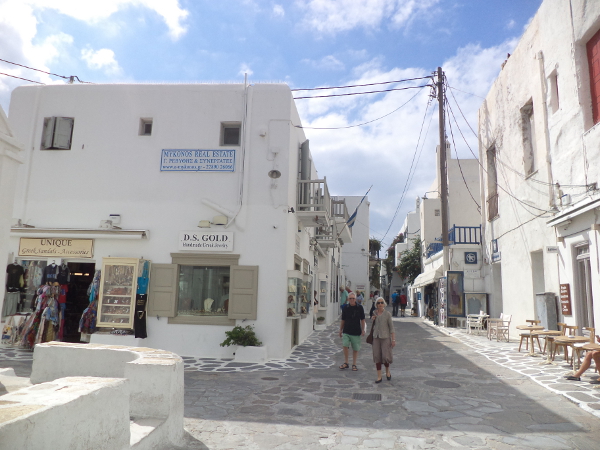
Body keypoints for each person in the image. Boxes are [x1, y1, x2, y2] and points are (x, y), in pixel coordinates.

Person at [370, 297, 395, 383]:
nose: (380, 304)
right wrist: (373, 320)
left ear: (384, 304)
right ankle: (379, 376)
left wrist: (393, 340)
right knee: (377, 356)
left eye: (381, 302)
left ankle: (387, 372)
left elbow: (391, 328)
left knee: (385, 356)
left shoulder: (387, 314)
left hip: (385, 337)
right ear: (376, 305)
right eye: (378, 303)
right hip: (376, 337)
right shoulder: (374, 313)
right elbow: (374, 326)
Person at [338, 292, 365, 371]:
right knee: (345, 345)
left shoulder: (360, 308)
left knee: (355, 349)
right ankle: (346, 362)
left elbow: (362, 319)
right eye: (350, 298)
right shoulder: (345, 308)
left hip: (356, 331)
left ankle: (354, 364)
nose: (352, 300)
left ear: (355, 299)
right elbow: (343, 319)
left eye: (353, 298)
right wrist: (340, 330)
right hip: (346, 330)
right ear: (348, 299)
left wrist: (363, 329)